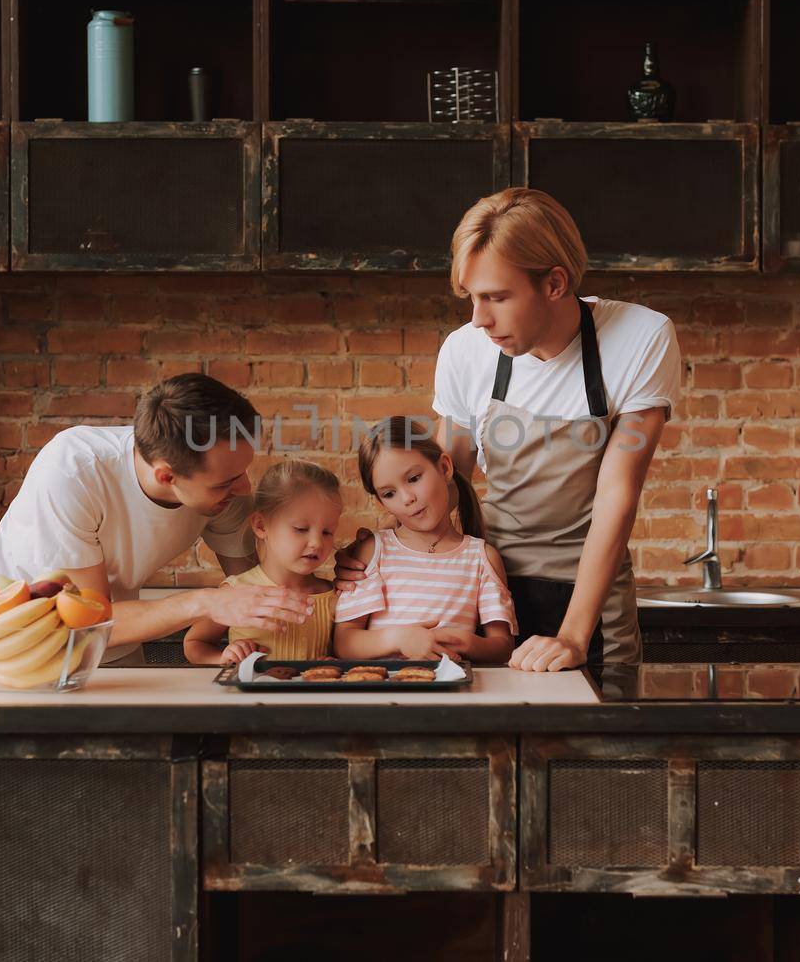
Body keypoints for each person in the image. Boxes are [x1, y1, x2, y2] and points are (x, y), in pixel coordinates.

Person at [340, 188, 681, 671]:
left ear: (555, 283)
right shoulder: (466, 350)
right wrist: (378, 554)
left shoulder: (640, 338)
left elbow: (617, 494)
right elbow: (443, 483)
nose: (479, 319)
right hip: (489, 596)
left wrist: (572, 637)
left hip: (591, 603)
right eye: (472, 298)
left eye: (497, 297)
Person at [0, 372, 311, 663]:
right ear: (167, 477)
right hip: (26, 647)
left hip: (118, 642)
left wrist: (354, 577)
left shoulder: (222, 486)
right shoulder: (72, 472)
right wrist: (208, 601)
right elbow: (88, 622)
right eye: (226, 482)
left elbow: (258, 585)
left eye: (243, 472)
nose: (244, 488)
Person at [333, 416, 516, 664]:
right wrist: (398, 639)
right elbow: (344, 642)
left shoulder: (481, 558)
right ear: (380, 502)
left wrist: (467, 642)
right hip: (380, 697)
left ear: (444, 468)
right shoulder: (373, 553)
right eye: (389, 493)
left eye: (413, 478)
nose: (407, 498)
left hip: (451, 695)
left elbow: (502, 647)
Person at [183, 459, 342, 666]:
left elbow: (346, 652)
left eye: (327, 532)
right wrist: (223, 656)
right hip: (249, 698)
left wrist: (337, 662)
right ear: (261, 526)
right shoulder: (237, 591)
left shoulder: (333, 596)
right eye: (301, 529)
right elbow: (195, 643)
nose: (317, 542)